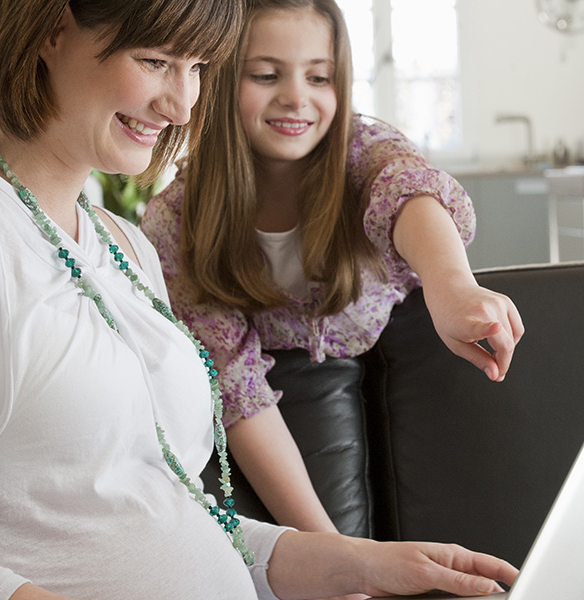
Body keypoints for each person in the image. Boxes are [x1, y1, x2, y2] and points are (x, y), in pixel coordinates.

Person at [0, 0, 520, 599]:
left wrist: (357, 563)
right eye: (156, 61)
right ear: (52, 30)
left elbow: (170, 516)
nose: (182, 106)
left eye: (198, 68)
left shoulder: (126, 245)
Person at [141, 0, 525, 534]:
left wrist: (454, 286)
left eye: (319, 77)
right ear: (219, 79)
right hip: (289, 391)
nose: (296, 97)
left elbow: (407, 191)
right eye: (266, 75)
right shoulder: (176, 220)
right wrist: (330, 550)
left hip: (407, 365)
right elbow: (233, 387)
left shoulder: (365, 149)